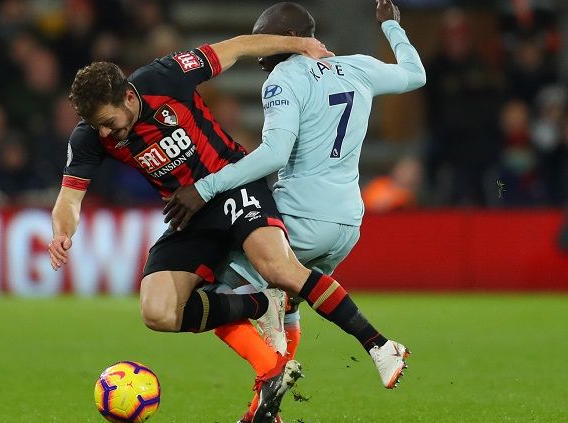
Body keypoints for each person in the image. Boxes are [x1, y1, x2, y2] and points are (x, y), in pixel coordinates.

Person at [48, 33, 338, 423]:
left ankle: (291, 363)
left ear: (129, 99)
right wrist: (62, 232)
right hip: (190, 215)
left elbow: (235, 47)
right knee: (158, 310)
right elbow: (69, 198)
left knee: (276, 268)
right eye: (95, 125)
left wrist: (301, 44)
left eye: (108, 123)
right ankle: (260, 306)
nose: (104, 134)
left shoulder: (166, 76)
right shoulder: (89, 136)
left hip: (235, 188)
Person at [163, 1, 425, 421]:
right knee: (287, 305)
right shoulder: (355, 66)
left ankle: (365, 347)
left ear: (285, 39)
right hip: (348, 223)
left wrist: (206, 186)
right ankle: (260, 414)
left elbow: (274, 154)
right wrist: (392, 27)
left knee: (207, 294)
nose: (259, 52)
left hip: (301, 215)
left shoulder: (284, 78)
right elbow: (416, 74)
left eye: (263, 38)